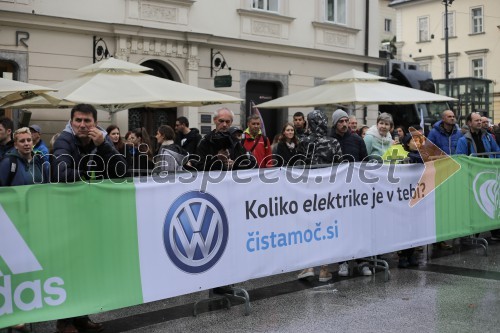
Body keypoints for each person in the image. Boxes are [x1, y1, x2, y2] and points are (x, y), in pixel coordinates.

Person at [51, 104, 125, 332]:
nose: (83, 125)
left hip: (93, 213)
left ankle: (82, 315)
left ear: (95, 123)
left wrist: (104, 147)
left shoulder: (102, 140)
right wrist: (90, 176)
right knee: (69, 267)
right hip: (67, 213)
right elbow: (60, 173)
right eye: (78, 121)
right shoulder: (65, 139)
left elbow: (120, 171)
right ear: (71, 122)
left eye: (87, 121)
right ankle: (64, 321)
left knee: (88, 268)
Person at [297, 109, 342, 283]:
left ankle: (309, 266)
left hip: (308, 191)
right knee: (326, 228)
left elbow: (298, 165)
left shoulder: (304, 142)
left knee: (310, 228)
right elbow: (340, 166)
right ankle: (324, 269)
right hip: (328, 191)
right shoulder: (334, 142)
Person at [329, 109, 371, 277]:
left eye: (346, 121)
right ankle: (343, 262)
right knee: (341, 228)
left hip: (356, 192)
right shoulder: (329, 140)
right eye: (341, 121)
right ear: (335, 123)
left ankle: (363, 261)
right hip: (337, 192)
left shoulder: (357, 140)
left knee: (359, 227)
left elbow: (365, 162)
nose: (345, 124)